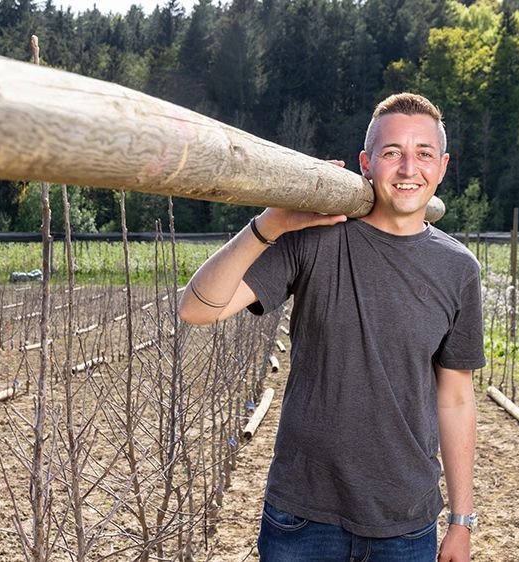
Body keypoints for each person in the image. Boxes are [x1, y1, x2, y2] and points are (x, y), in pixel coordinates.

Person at [177, 93, 484, 562]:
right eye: (391, 153)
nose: (408, 168)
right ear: (366, 163)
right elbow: (198, 308)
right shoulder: (314, 237)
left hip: (405, 521)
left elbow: (457, 397)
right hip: (303, 516)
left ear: (441, 167)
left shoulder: (458, 268)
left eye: (423, 153)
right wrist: (271, 223)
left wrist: (461, 521)